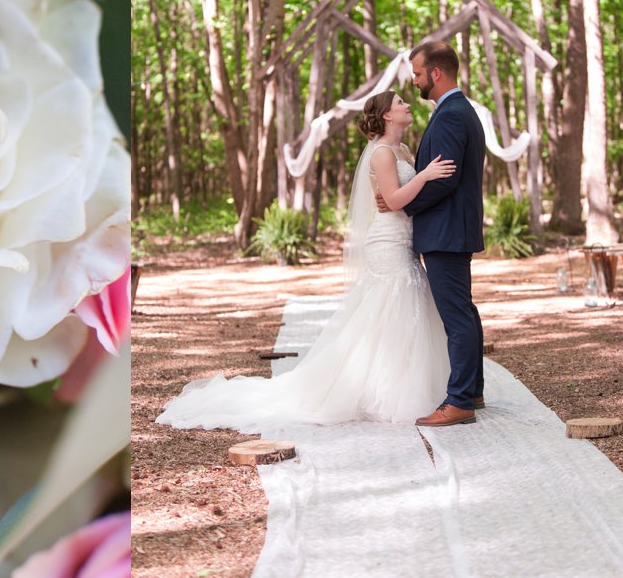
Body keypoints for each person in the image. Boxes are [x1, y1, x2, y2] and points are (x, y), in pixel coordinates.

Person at [156, 91, 454, 433]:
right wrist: (426, 175)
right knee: (390, 307)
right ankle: (379, 391)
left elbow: (394, 197)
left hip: (403, 238)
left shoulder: (401, 150)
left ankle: (395, 384)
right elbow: (395, 199)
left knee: (402, 310)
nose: (407, 106)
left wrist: (416, 180)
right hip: (387, 241)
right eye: (400, 103)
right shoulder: (383, 152)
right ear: (387, 115)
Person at [388, 41, 487, 428]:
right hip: (454, 228)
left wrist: (403, 205)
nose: (414, 81)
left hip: (445, 230)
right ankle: (473, 388)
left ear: (436, 73)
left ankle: (459, 400)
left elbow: (444, 180)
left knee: (456, 316)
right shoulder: (461, 110)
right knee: (465, 310)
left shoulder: (449, 116)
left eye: (416, 73)